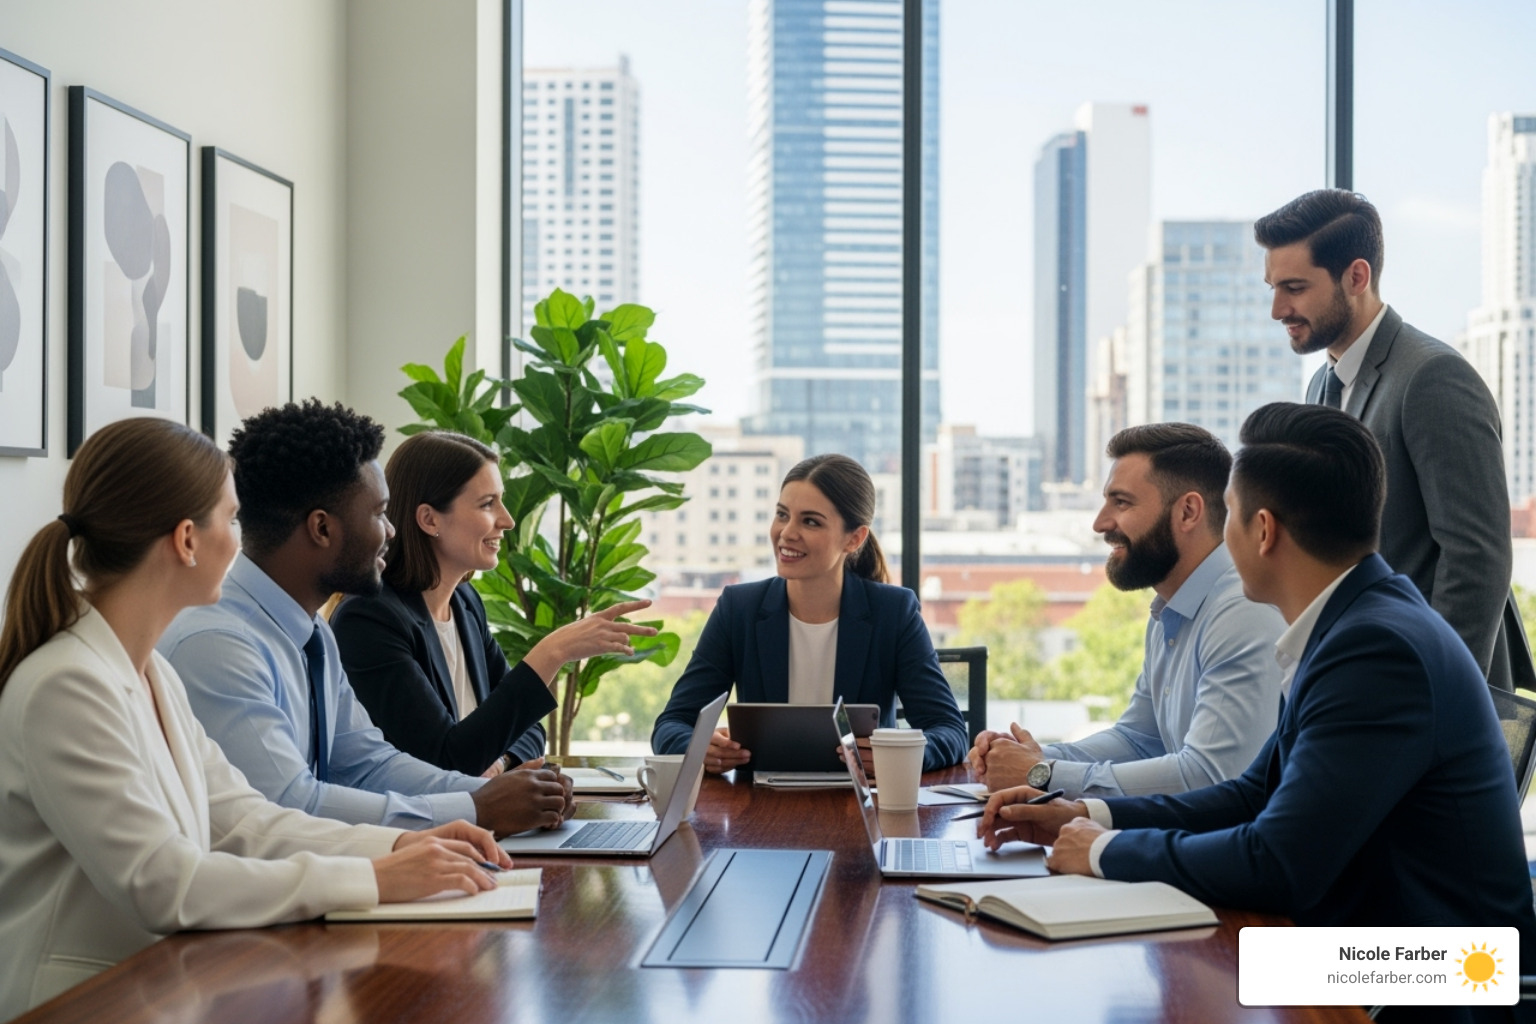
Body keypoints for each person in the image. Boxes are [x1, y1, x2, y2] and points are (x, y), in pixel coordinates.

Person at [977, 404, 1536, 1020]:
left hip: (1433, 977)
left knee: (1137, 990)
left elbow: (1279, 863)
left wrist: (1105, 850)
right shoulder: (1356, 623)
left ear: (1263, 530)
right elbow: (1250, 794)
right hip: (1373, 947)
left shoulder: (1377, 650)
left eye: (1232, 518)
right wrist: (1085, 814)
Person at [0, 418, 510, 1019]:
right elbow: (164, 884)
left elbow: (242, 819)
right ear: (187, 540)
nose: (242, 541)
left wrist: (401, 843)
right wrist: (375, 878)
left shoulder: (150, 674)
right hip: (83, 1003)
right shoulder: (68, 684)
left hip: (162, 988)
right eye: (231, 519)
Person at [159, 400, 573, 835]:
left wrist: (495, 796)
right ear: (322, 529)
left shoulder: (313, 631)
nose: (391, 532)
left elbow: (367, 763)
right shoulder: (218, 644)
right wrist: (476, 809)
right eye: (379, 514)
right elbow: (289, 806)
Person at [1257, 188, 1535, 693]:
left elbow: (1478, 557)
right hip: (1358, 677)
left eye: (1294, 287)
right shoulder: (1323, 385)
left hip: (1425, 693)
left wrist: (1433, 695)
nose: (1278, 309)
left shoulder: (1433, 377)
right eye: (1273, 287)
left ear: (1356, 277)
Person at [968, 423, 1284, 798]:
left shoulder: (1242, 612)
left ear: (1188, 512)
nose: (1100, 523)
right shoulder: (1171, 608)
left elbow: (1209, 777)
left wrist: (1042, 773)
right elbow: (1139, 739)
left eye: (1121, 502)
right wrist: (1030, 757)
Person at [331, 430, 655, 776]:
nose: (508, 520)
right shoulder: (368, 619)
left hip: (478, 820)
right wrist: (551, 654)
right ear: (429, 519)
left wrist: (499, 765)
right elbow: (447, 761)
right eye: (488, 504)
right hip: (420, 826)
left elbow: (528, 729)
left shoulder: (465, 604)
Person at [652, 453, 967, 774]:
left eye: (810, 521)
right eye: (782, 515)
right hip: (760, 807)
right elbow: (672, 724)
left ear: (854, 538)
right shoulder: (739, 607)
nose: (787, 532)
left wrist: (898, 754)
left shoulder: (893, 612)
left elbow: (950, 731)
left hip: (859, 809)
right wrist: (698, 747)